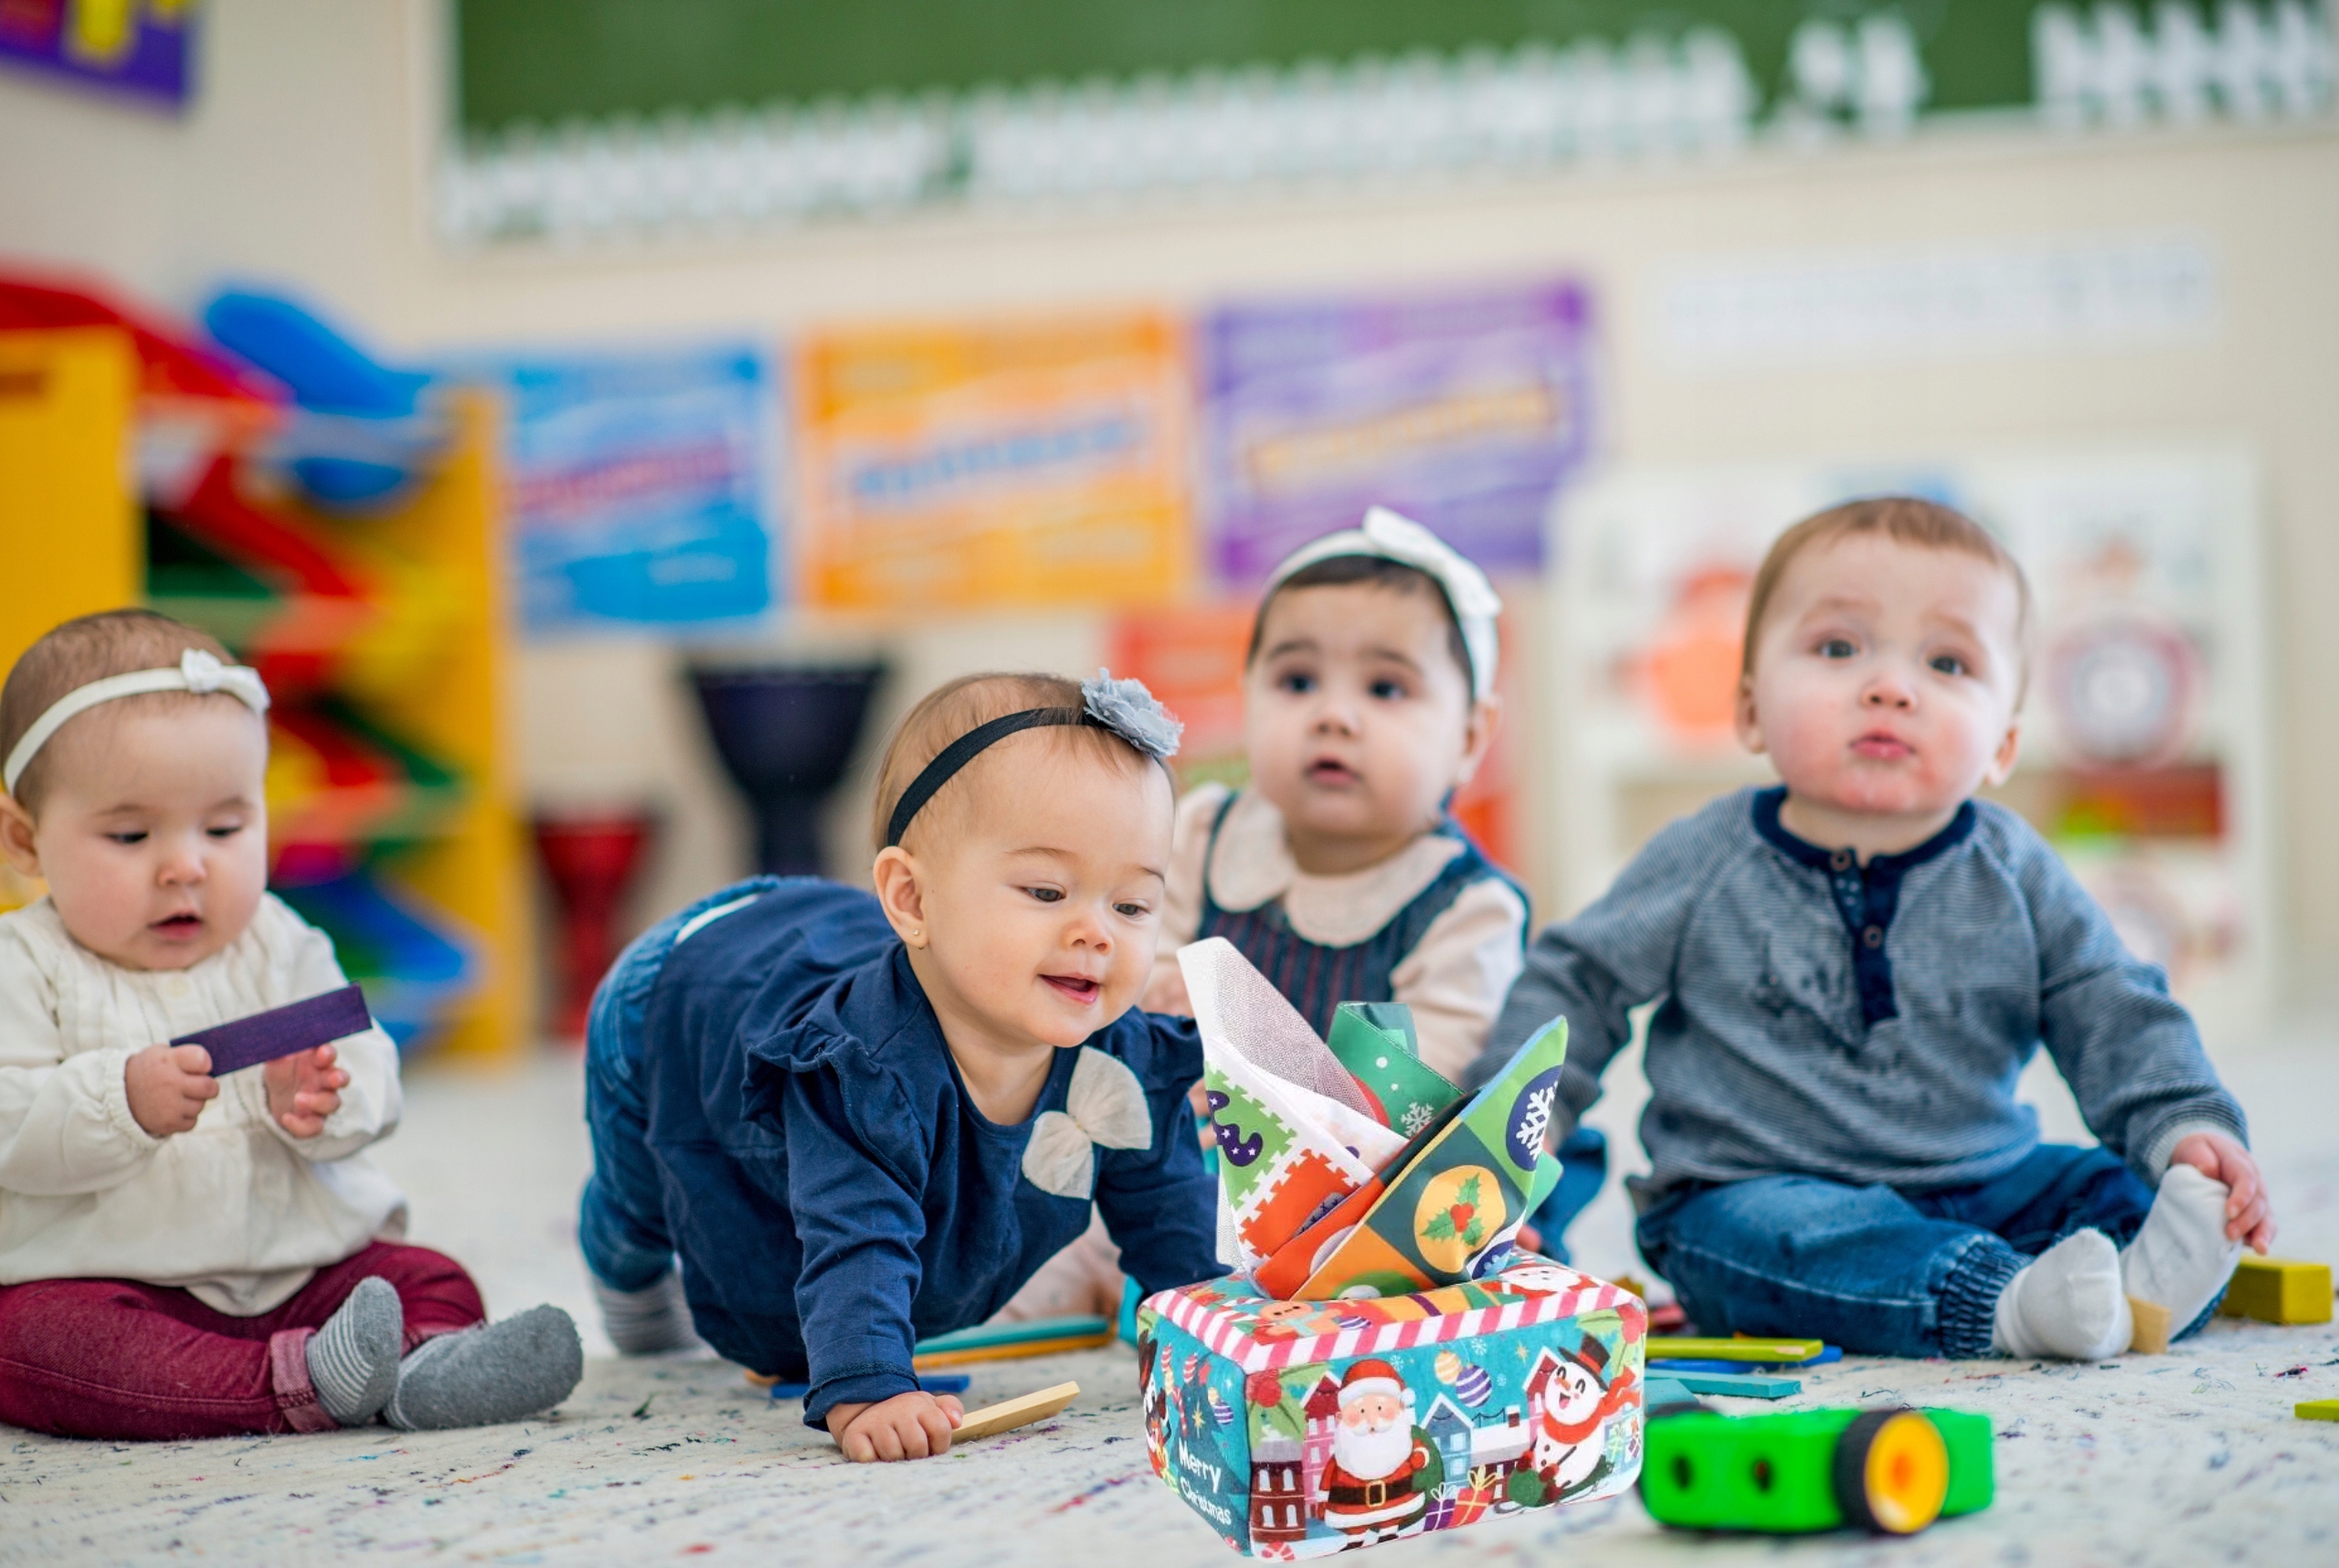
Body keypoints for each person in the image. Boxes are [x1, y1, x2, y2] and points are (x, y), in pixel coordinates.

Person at [1467, 497, 2270, 1361]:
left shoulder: (2014, 867)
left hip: (1987, 1182)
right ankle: (2004, 1301)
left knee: (2131, 1191)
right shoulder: (1707, 856)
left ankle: (2133, 1290)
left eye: (1947, 661)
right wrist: (1509, 1146)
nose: (1890, 686)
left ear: (2002, 744)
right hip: (1756, 1192)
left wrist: (2187, 1127)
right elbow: (1574, 984)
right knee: (1747, 1242)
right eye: (1839, 648)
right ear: (1747, 709)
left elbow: (2112, 1003)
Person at [578, 671, 1222, 1463]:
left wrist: (1209, 1332)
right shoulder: (863, 1068)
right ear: (913, 901)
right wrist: (870, 1383)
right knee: (644, 1195)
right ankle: (624, 1264)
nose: (1097, 934)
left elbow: (1169, 1212)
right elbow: (860, 1234)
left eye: (1131, 907)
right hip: (681, 989)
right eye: (1048, 890)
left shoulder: (1120, 1054)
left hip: (820, 931)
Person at [0, 610, 581, 1440]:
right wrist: (116, 1100)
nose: (187, 865)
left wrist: (326, 1096)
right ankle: (293, 1384)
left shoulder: (281, 940)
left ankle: (422, 1371)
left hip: (303, 1270)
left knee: (431, 1277)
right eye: (130, 833)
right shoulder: (22, 962)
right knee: (31, 1344)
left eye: (227, 827)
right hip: (110, 1283)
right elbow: (9, 1123)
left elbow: (368, 1064)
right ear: (24, 838)